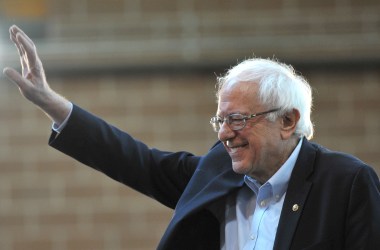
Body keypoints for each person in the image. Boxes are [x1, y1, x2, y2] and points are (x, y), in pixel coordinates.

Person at [3, 25, 380, 250]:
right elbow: (138, 162)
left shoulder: (346, 183)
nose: (224, 133)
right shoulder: (218, 170)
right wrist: (53, 104)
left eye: (237, 119)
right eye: (219, 119)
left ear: (288, 121)